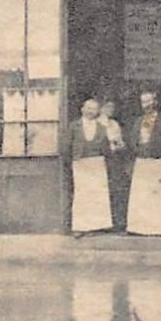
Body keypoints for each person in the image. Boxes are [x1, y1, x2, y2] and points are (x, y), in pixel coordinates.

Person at [125, 91, 161, 236]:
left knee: (157, 196)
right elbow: (132, 140)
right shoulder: (138, 121)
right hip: (142, 162)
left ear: (155, 101)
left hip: (157, 162)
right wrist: (138, 149)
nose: (147, 105)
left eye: (149, 101)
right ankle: (139, 228)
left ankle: (157, 229)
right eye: (143, 102)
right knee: (141, 196)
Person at [68, 98, 112, 235]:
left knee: (97, 195)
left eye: (94, 109)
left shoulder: (102, 128)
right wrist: (73, 160)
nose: (90, 111)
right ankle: (80, 227)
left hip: (97, 162)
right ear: (82, 109)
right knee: (82, 195)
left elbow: (107, 149)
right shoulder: (74, 126)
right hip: (80, 162)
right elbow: (67, 146)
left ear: (98, 111)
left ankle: (95, 226)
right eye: (88, 108)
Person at [99, 99, 132, 234]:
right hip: (102, 160)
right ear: (101, 108)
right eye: (107, 106)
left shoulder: (114, 124)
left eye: (112, 107)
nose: (110, 109)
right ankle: (104, 223)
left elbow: (121, 142)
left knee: (118, 190)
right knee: (104, 191)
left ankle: (118, 223)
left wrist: (120, 146)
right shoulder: (97, 123)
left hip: (116, 160)